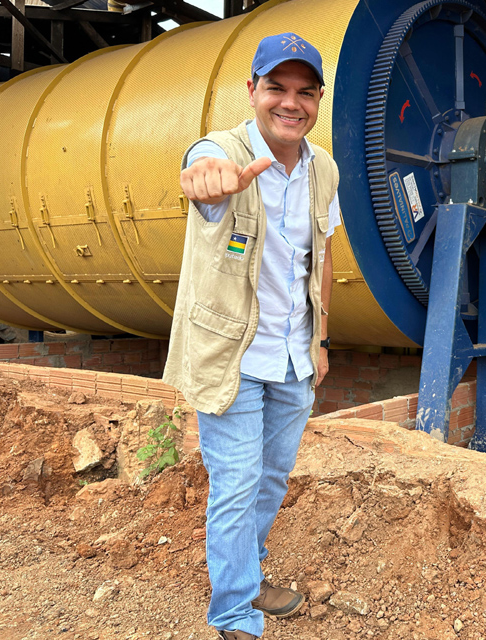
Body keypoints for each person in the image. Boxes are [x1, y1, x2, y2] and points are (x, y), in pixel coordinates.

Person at [163, 33, 340, 640]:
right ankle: (235, 616)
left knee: (270, 479)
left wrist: (320, 341)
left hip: (293, 357)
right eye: (276, 88)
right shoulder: (226, 152)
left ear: (319, 100)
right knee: (236, 486)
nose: (290, 103)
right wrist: (206, 176)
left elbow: (323, 259)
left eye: (304, 92)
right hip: (232, 355)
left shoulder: (326, 169)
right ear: (252, 92)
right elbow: (201, 166)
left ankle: (247, 573)